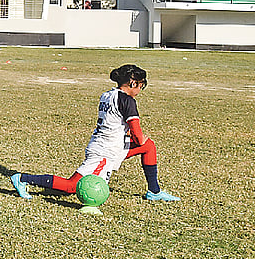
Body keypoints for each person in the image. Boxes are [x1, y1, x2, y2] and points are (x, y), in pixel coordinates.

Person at [10, 64, 179, 205]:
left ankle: (154, 191)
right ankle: (23, 178)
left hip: (110, 144)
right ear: (133, 83)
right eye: (141, 84)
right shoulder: (127, 101)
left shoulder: (107, 95)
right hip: (105, 151)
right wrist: (140, 139)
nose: (141, 88)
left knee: (149, 147)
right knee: (71, 187)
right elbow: (136, 133)